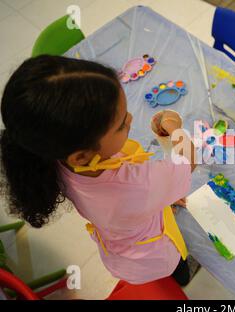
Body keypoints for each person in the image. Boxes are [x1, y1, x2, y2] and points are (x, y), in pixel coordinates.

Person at [0, 55, 199, 286]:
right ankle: (182, 277)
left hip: (118, 247)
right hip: (153, 257)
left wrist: (161, 196)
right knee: (177, 266)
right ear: (82, 155)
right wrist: (174, 126)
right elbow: (188, 160)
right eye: (122, 124)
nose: (131, 120)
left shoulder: (54, 157)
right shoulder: (136, 186)